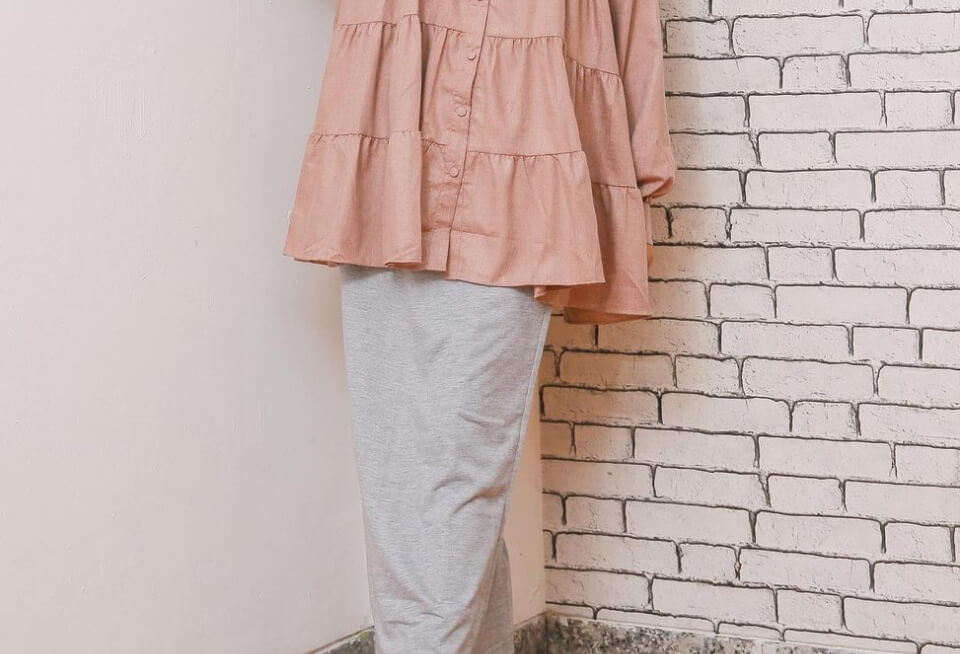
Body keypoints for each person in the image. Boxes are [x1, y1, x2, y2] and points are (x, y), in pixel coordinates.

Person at [283, 1, 676, 651]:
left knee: (449, 492)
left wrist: (631, 162)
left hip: (516, 175)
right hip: (390, 160)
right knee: (409, 493)